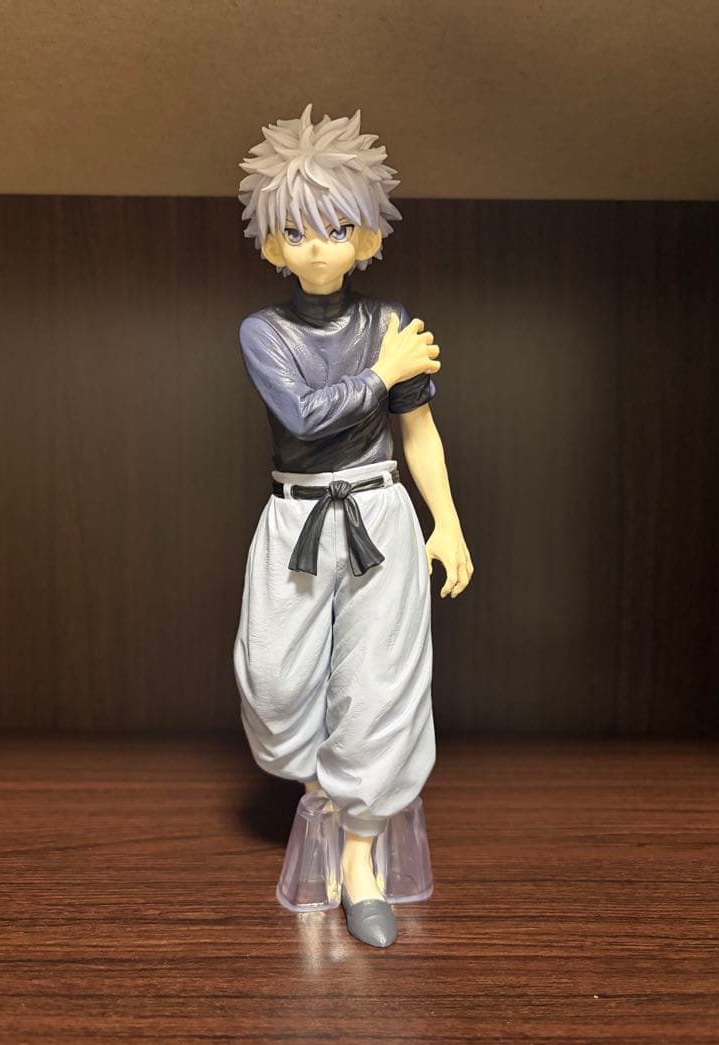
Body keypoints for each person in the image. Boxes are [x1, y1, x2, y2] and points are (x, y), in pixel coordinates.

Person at [233, 103, 473, 947]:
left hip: (379, 511)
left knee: (380, 683)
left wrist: (447, 522)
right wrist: (383, 371)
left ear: (368, 236)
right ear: (272, 245)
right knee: (274, 682)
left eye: (337, 229)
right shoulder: (264, 331)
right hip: (297, 519)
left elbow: (418, 431)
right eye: (296, 232)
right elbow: (303, 416)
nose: (317, 247)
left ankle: (362, 858)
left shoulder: (388, 320)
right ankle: (322, 797)